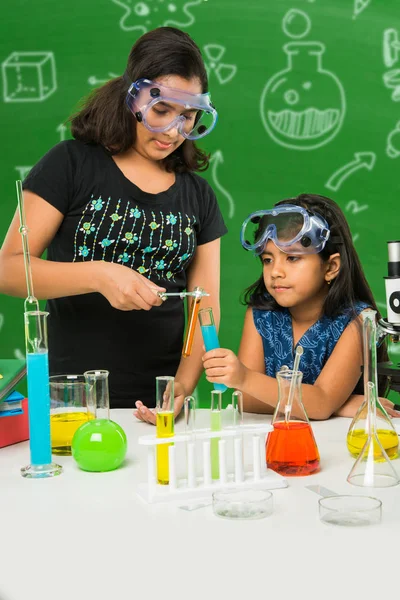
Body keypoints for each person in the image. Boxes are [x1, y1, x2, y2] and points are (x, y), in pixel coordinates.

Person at [0, 27, 227, 423]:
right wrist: (101, 276)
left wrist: (183, 386)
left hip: (158, 407)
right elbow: (8, 269)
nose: (174, 131)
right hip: (72, 404)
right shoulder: (71, 164)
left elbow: (204, 304)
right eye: (162, 112)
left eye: (188, 117)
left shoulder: (199, 196)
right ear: (133, 99)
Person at [202, 193, 400, 420]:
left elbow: (322, 401)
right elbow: (245, 400)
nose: (275, 271)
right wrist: (339, 406)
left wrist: (246, 378)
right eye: (268, 260)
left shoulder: (359, 322)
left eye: (292, 258)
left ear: (331, 267)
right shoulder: (260, 314)